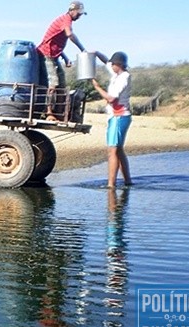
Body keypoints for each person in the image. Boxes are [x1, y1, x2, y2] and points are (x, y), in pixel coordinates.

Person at [37, 1, 88, 121]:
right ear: (72, 11)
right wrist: (83, 49)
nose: (79, 16)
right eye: (79, 13)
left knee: (62, 83)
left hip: (53, 55)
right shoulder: (66, 20)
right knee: (53, 82)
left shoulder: (66, 21)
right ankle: (48, 112)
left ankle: (59, 112)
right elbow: (70, 35)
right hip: (45, 54)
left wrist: (64, 57)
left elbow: (55, 43)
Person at [91, 51, 133, 188]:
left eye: (114, 64)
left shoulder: (123, 78)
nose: (112, 66)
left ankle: (111, 184)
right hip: (118, 115)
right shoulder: (117, 74)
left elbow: (111, 98)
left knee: (112, 150)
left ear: (119, 65)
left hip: (119, 116)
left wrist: (97, 87)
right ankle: (127, 181)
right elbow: (106, 62)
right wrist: (96, 53)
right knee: (119, 150)